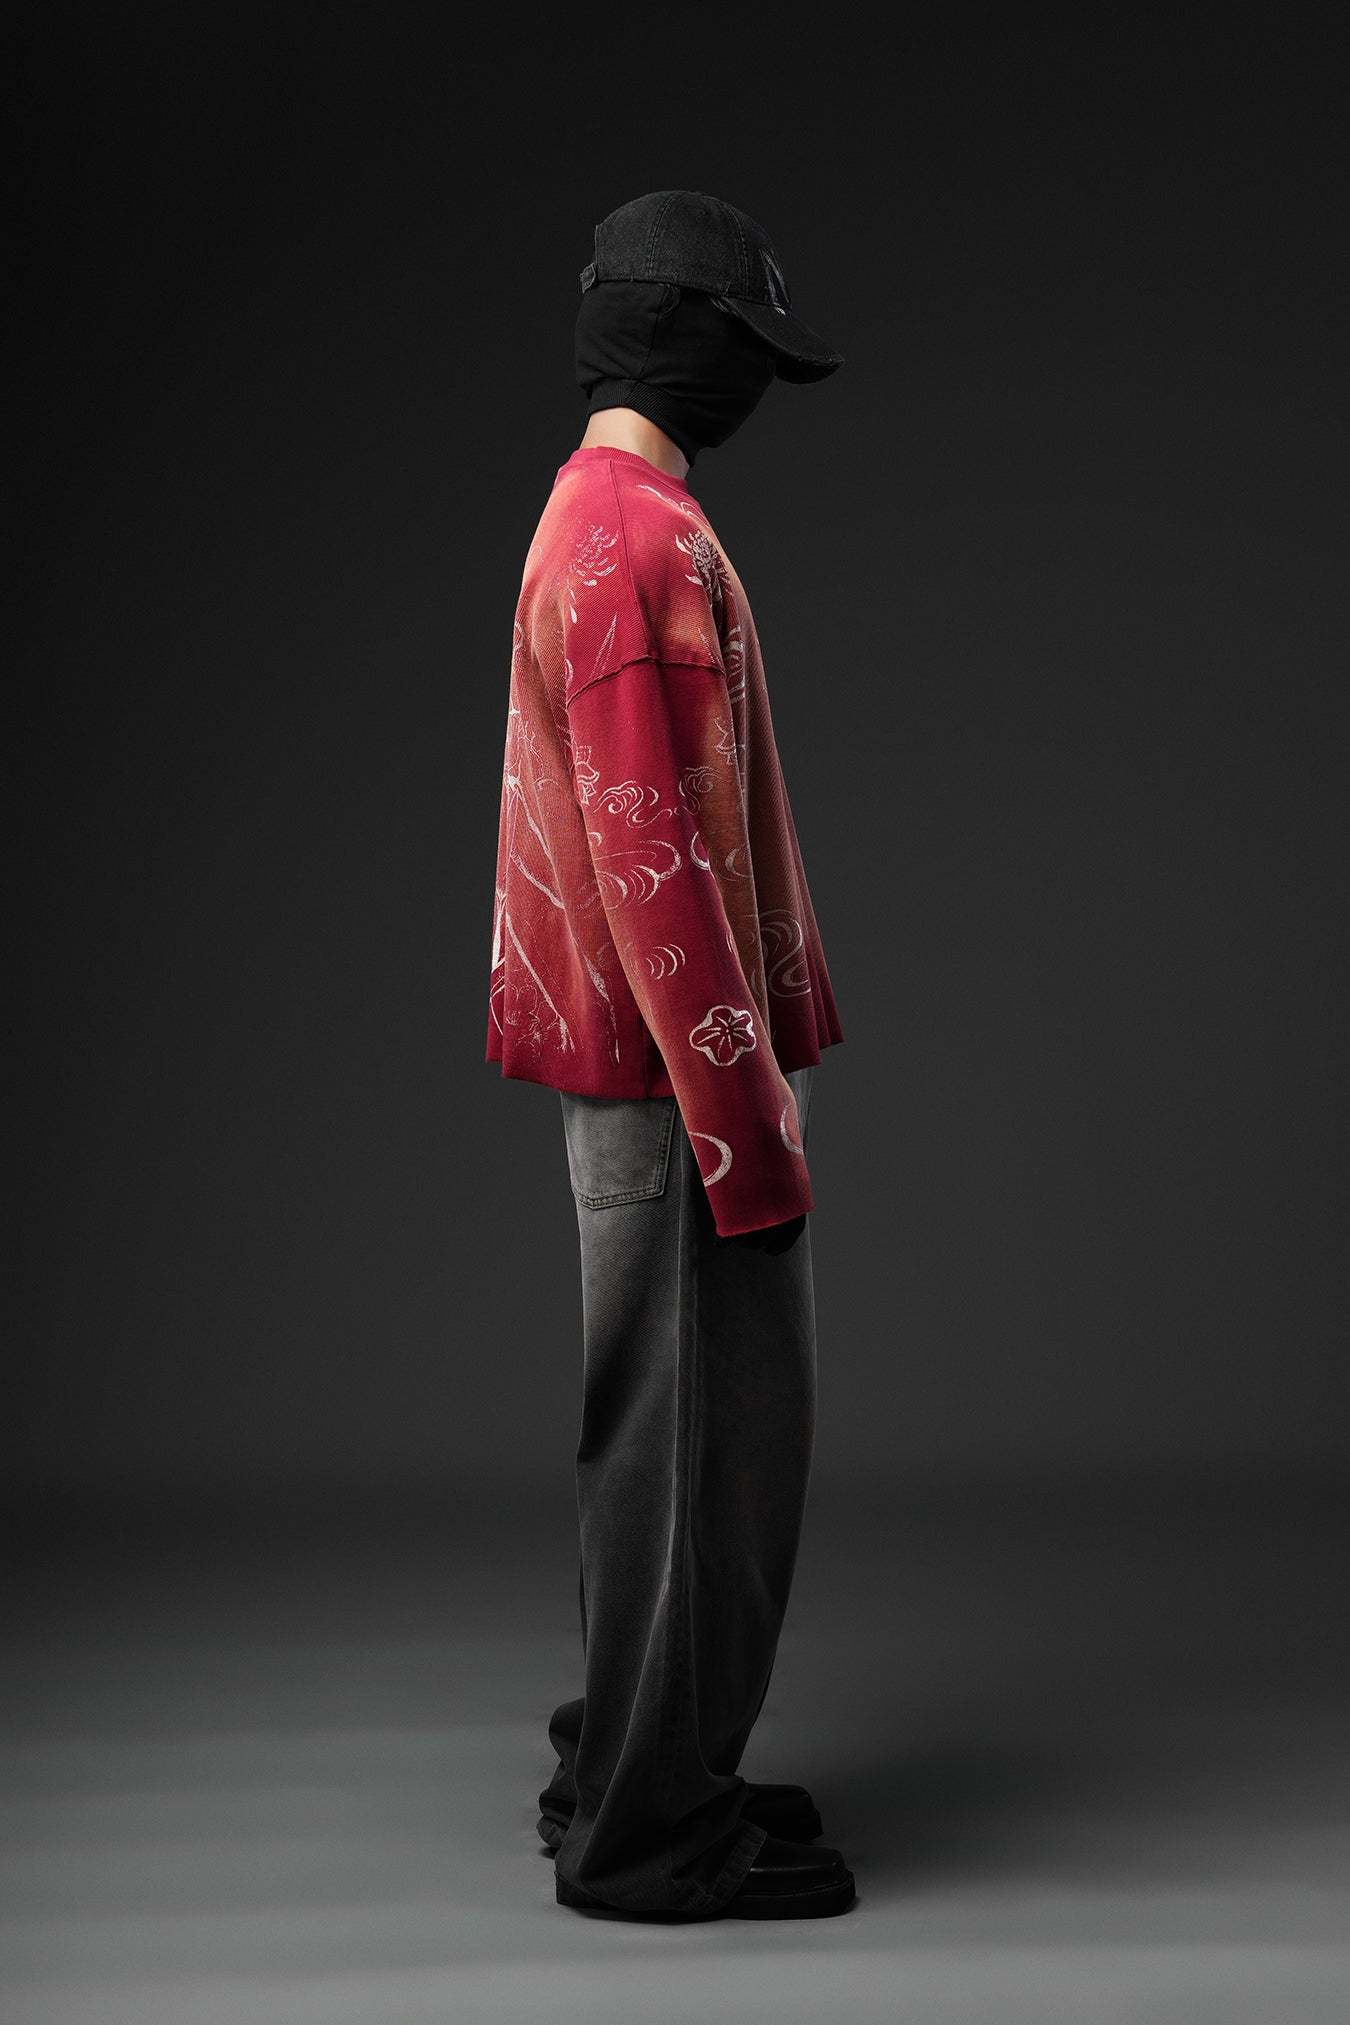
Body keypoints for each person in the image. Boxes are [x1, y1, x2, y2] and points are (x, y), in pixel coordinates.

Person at [484, 190, 853, 1919]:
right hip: (678, 1088)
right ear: (687, 341)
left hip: (645, 1079)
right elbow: (654, 862)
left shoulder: (597, 510)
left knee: (665, 1442)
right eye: (746, 349)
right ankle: (647, 1835)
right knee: (704, 1454)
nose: (756, 384)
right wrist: (745, 1127)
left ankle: (638, 1762)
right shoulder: (636, 546)